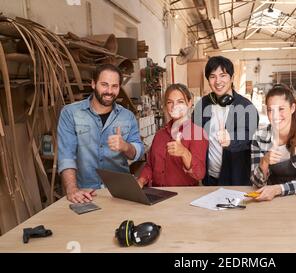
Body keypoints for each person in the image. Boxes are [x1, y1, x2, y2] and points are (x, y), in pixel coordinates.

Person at [58, 64, 144, 203]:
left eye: (115, 86)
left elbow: (138, 152)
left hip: (120, 193)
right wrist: (72, 189)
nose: (109, 91)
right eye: (104, 84)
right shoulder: (70, 113)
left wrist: (125, 146)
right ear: (93, 84)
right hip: (85, 193)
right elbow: (66, 155)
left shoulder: (127, 116)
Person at [192, 56, 259, 186]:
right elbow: (195, 135)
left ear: (232, 78)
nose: (218, 81)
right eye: (212, 76)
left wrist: (231, 139)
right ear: (208, 80)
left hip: (236, 179)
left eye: (223, 75)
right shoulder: (203, 105)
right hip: (209, 178)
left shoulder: (246, 107)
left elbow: (249, 135)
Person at [250, 84, 296, 201]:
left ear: (292, 108)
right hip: (272, 198)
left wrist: (277, 189)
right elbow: (257, 183)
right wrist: (264, 162)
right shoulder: (259, 137)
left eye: (281, 109)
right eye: (270, 110)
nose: (275, 115)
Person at [137, 84, 208, 187]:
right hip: (157, 194)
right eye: (170, 102)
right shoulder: (159, 135)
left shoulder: (198, 133)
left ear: (189, 103)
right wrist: (141, 180)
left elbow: (199, 174)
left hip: (181, 197)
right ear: (166, 106)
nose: (175, 107)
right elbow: (150, 165)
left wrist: (184, 153)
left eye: (180, 102)